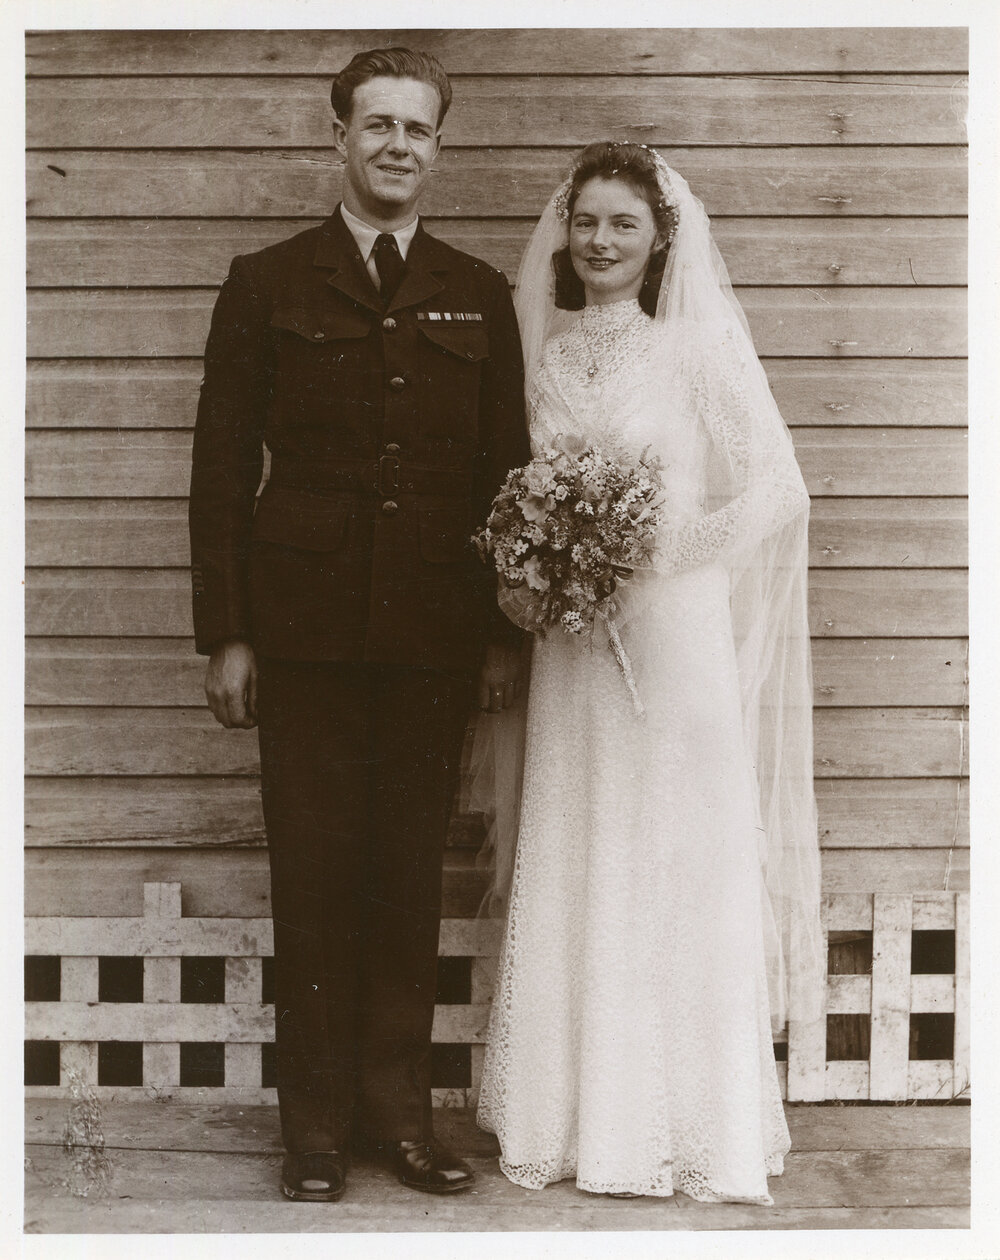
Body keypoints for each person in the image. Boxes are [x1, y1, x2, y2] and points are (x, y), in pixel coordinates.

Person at [189, 47, 528, 1203]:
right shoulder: (267, 282)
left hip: (433, 635)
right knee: (315, 873)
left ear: (439, 147)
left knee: (405, 878)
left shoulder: (477, 291)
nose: (396, 145)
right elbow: (220, 471)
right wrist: (228, 633)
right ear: (337, 136)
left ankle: (401, 1120)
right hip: (303, 633)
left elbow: (504, 474)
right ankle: (317, 1132)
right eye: (376, 123)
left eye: (416, 128)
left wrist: (501, 635)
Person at [475, 142, 824, 1203]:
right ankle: (576, 1119)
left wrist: (651, 553)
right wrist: (547, 562)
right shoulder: (544, 353)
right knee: (583, 840)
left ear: (660, 239)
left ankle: (682, 1124)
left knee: (669, 848)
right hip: (574, 646)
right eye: (585, 220)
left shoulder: (693, 349)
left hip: (671, 636)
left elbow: (777, 487)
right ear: (564, 231)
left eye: (623, 223)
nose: (599, 241)